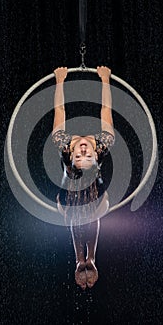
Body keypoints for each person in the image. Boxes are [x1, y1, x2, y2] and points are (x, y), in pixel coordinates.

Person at [52, 66, 115, 290]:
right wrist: (105, 79)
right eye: (85, 154)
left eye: (81, 154)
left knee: (76, 214)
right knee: (91, 209)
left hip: (68, 198)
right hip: (90, 194)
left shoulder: (63, 144)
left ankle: (82, 259)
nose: (83, 148)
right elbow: (106, 108)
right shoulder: (104, 142)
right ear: (96, 156)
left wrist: (60, 81)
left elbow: (59, 108)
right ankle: (89, 259)